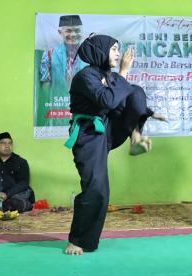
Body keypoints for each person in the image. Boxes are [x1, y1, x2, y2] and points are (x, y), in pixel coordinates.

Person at [64, 34, 166, 255]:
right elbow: (108, 100)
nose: (118, 54)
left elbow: (125, 96)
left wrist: (148, 113)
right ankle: (78, 240)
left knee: (135, 90)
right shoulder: (85, 76)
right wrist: (123, 72)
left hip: (108, 128)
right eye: (114, 49)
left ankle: (136, 136)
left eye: (119, 49)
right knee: (97, 189)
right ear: (99, 51)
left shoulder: (106, 75)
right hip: (89, 135)